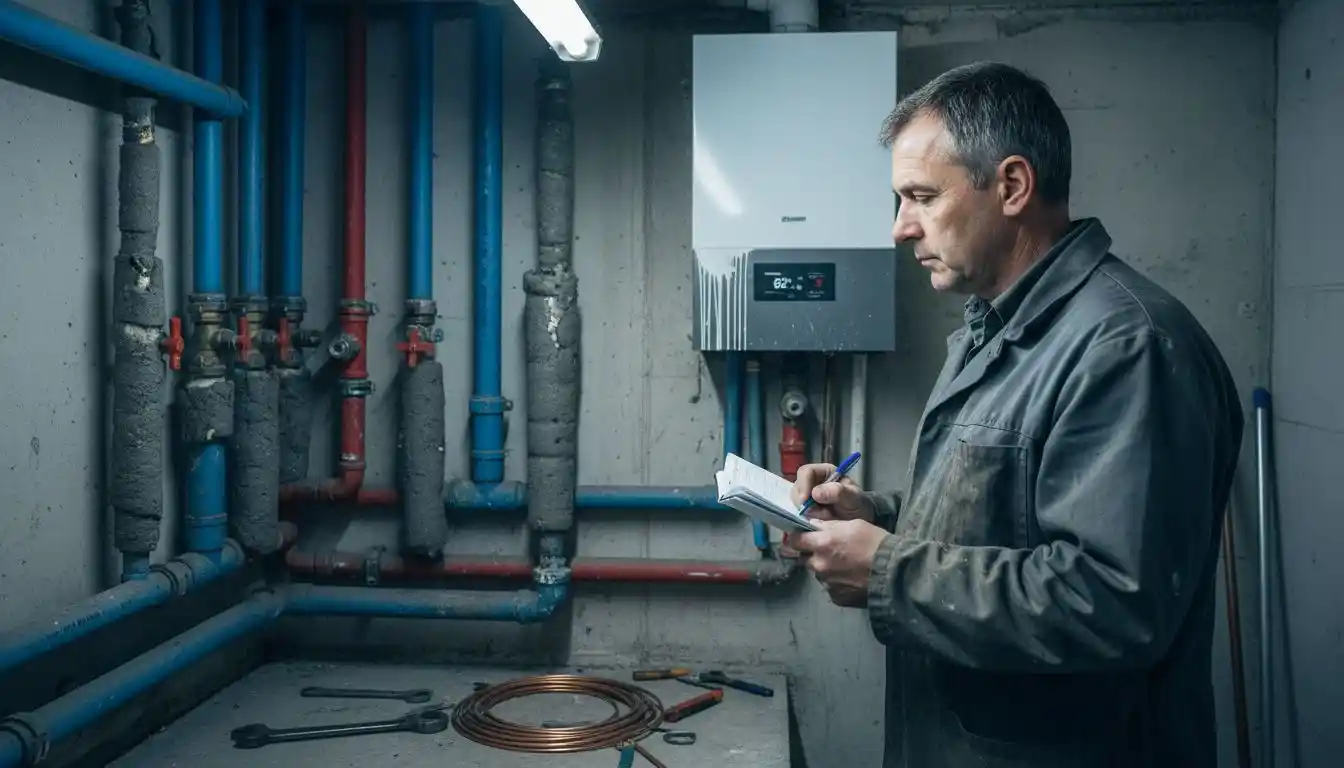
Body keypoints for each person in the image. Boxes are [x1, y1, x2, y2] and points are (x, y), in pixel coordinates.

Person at [790, 61, 1244, 768]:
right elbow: (1010, 515)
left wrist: (890, 573)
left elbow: (1111, 601)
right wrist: (877, 518)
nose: (899, 229)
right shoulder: (993, 328)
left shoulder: (1125, 347)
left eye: (921, 197)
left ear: (1011, 186)